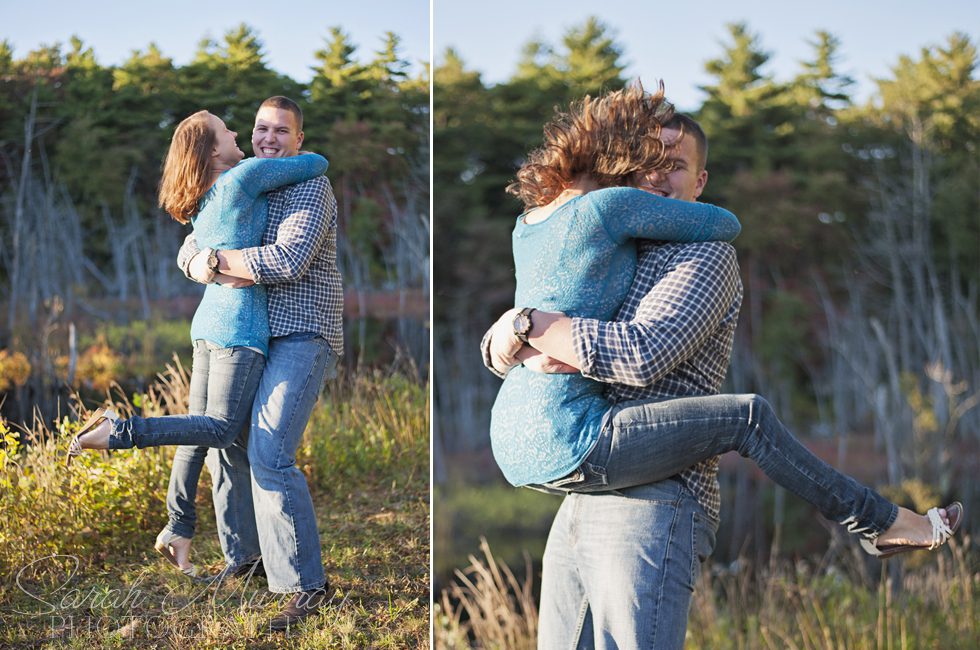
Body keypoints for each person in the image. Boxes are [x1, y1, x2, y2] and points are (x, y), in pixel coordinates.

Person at [481, 88, 962, 647]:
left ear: (700, 182)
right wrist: (518, 327)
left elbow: (642, 355)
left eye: (676, 165)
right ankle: (882, 522)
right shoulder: (615, 247)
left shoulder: (704, 255)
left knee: (748, 416)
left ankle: (879, 521)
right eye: (647, 164)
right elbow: (538, 348)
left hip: (657, 497)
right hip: (585, 489)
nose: (658, 177)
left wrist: (534, 326)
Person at [65, 109, 327, 483]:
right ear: (212, 152)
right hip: (238, 326)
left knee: (198, 430)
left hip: (205, 325)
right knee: (220, 429)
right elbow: (318, 162)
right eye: (225, 130)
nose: (235, 131)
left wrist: (210, 263)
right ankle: (120, 432)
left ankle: (179, 526)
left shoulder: (200, 200)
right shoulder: (244, 178)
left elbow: (191, 251)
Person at [176, 95, 344, 632]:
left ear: (300, 139)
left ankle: (306, 587)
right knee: (231, 446)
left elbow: (287, 262)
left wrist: (214, 264)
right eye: (260, 129)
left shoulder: (309, 185)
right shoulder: (248, 180)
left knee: (270, 452)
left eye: (281, 131)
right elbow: (193, 243)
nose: (268, 138)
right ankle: (243, 560)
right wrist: (198, 259)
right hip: (252, 336)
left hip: (302, 333)